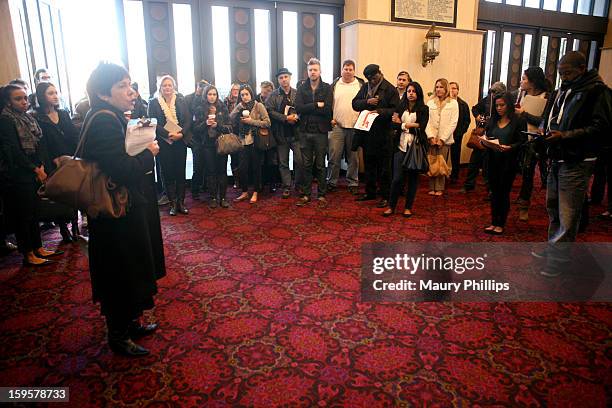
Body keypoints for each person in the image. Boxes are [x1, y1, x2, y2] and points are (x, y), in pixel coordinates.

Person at [81, 62, 165, 356]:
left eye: (130, 85)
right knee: (121, 272)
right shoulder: (104, 120)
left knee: (131, 269)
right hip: (114, 218)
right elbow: (123, 170)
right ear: (104, 94)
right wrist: (148, 153)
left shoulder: (112, 116)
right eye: (122, 86)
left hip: (123, 211)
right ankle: (118, 335)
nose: (130, 92)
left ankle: (129, 322)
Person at [536, 51, 611, 277]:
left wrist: (565, 136)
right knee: (553, 207)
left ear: (581, 68)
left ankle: (559, 259)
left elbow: (602, 128)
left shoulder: (597, 92)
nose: (563, 77)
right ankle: (554, 248)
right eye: (560, 73)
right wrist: (542, 128)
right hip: (556, 155)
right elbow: (549, 116)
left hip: (577, 159)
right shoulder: (561, 91)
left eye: (567, 73)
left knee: (568, 212)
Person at [0, 84, 61, 266]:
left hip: (34, 170)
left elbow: (38, 144)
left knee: (34, 213)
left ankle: (38, 247)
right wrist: (34, 169)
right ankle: (28, 253)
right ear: (8, 102)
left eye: (25, 98)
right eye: (18, 99)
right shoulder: (6, 120)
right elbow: (13, 151)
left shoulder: (27, 118)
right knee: (24, 216)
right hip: (19, 174)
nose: (24, 102)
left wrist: (41, 166)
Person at [34, 82, 80, 242]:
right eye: (50, 93)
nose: (55, 96)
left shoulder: (64, 113)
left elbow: (73, 136)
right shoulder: (37, 117)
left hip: (70, 158)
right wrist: (51, 161)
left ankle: (75, 226)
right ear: (42, 96)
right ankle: (63, 228)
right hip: (53, 161)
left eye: (55, 92)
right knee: (60, 194)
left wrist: (75, 155)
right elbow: (41, 143)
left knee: (74, 193)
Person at [353, 64, 400, 208]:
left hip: (384, 133)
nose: (372, 81)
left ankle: (385, 195)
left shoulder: (390, 89)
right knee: (369, 164)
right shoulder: (365, 87)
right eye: (369, 79)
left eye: (374, 78)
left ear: (379, 73)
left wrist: (379, 111)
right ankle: (370, 192)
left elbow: (395, 110)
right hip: (367, 133)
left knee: (385, 167)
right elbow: (355, 104)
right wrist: (367, 102)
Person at [480, 92, 526, 235]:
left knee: (503, 193)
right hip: (492, 160)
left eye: (502, 105)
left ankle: (501, 223)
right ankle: (494, 222)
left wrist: (510, 147)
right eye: (497, 105)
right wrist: (485, 141)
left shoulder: (517, 121)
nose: (499, 108)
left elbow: (522, 141)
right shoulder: (493, 120)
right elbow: (487, 137)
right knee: (493, 193)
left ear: (509, 105)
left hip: (508, 162)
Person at [384, 81, 429, 217]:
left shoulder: (424, 109)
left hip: (415, 147)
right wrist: (411, 125)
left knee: (413, 179)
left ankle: (408, 207)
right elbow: (393, 125)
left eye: (414, 91)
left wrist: (402, 124)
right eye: (409, 91)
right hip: (400, 146)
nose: (411, 94)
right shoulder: (400, 106)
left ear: (418, 93)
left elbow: (421, 127)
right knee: (397, 178)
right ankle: (391, 206)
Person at [148, 75, 192, 216]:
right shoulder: (153, 102)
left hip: (180, 142)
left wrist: (181, 134)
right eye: (164, 85)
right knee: (168, 173)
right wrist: (168, 134)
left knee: (180, 172)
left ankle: (181, 203)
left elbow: (187, 120)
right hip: (164, 143)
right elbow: (154, 122)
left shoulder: (181, 100)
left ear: (174, 86)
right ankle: (172, 203)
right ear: (160, 87)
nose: (167, 88)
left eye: (169, 85)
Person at [514, 67, 551, 221]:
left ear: (533, 81)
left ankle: (525, 204)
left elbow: (545, 122)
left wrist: (524, 114)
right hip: (521, 138)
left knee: (530, 173)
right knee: (522, 171)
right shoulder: (521, 94)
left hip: (537, 141)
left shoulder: (547, 97)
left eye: (524, 78)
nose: (521, 81)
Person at [295, 58, 333, 207]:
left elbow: (327, 109)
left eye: (315, 69)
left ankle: (322, 195)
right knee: (306, 165)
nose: (313, 72)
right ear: (307, 72)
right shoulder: (301, 87)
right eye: (310, 70)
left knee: (320, 165)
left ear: (320, 71)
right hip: (304, 131)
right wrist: (316, 104)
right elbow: (299, 108)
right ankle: (305, 194)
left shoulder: (327, 87)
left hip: (320, 131)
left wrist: (309, 107)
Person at [461, 81, 506, 195]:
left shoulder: (505, 102)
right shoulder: (487, 99)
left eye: (496, 92)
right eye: (492, 92)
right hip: (482, 135)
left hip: (495, 137)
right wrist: (478, 116)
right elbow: (475, 108)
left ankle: (490, 189)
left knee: (489, 165)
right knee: (474, 162)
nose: (493, 94)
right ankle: (469, 185)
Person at [328, 59, 364, 194]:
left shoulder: (360, 85)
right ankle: (331, 181)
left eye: (350, 69)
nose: (348, 72)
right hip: (336, 126)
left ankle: (353, 182)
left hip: (355, 126)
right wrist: (330, 118)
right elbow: (328, 104)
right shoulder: (334, 85)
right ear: (341, 70)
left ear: (354, 71)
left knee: (353, 157)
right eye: (346, 69)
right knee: (334, 156)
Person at [230, 84, 271, 204]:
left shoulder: (258, 106)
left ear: (251, 94)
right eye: (242, 95)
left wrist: (251, 121)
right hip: (242, 141)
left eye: (246, 94)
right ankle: (244, 191)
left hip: (255, 140)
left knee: (256, 168)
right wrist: (238, 107)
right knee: (242, 168)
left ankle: (255, 192)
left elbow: (267, 123)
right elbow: (230, 118)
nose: (244, 97)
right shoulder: (240, 106)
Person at [193, 85, 232, 208]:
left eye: (214, 94)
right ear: (205, 95)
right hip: (207, 145)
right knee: (211, 172)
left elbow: (229, 127)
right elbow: (195, 129)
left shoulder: (222, 107)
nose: (212, 97)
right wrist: (205, 123)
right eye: (210, 94)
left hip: (221, 143)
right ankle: (213, 197)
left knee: (222, 171)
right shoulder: (200, 108)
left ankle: (224, 197)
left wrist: (218, 125)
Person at [266, 68, 302, 198]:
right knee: (283, 162)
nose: (283, 79)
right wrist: (285, 118)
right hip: (281, 134)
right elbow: (269, 111)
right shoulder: (273, 95)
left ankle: (298, 184)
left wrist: (297, 117)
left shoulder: (298, 93)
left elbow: (303, 109)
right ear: (278, 80)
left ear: (290, 77)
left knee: (300, 160)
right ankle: (286, 187)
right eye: (281, 78)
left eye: (286, 77)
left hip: (296, 133)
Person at [425, 78, 458, 196]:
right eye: (437, 87)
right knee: (432, 162)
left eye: (441, 87)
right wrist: (431, 136)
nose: (438, 89)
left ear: (446, 89)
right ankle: (432, 187)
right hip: (432, 138)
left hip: (445, 139)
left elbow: (453, 122)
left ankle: (440, 187)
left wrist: (443, 139)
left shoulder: (453, 103)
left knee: (441, 163)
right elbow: (426, 121)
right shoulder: (430, 102)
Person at [185, 80, 209, 200]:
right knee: (197, 165)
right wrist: (188, 137)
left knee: (208, 164)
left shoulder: (208, 99)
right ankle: (195, 190)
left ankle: (206, 187)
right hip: (194, 137)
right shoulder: (188, 99)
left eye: (204, 87)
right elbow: (186, 118)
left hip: (207, 136)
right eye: (200, 87)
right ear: (197, 87)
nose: (201, 89)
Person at [449, 82, 471, 183]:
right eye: (450, 88)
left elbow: (467, 120)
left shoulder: (463, 104)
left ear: (458, 90)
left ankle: (455, 174)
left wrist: (461, 132)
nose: (452, 90)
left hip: (457, 134)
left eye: (454, 88)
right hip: (445, 133)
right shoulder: (445, 102)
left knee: (455, 154)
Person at [225, 82, 242, 188]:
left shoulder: (244, 100)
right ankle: (236, 180)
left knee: (242, 157)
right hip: (230, 133)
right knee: (234, 157)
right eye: (233, 89)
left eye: (237, 89)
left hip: (242, 132)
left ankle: (243, 179)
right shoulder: (226, 102)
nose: (235, 91)